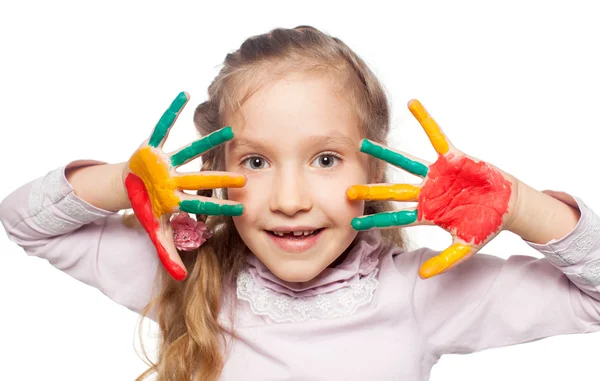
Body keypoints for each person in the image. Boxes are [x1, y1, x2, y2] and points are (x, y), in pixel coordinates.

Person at [1, 25, 599, 381]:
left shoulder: (421, 292)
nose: (289, 201)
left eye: (326, 160)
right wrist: (116, 183)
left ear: (375, 170)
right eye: (255, 162)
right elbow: (25, 223)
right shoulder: (183, 272)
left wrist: (522, 205)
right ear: (214, 174)